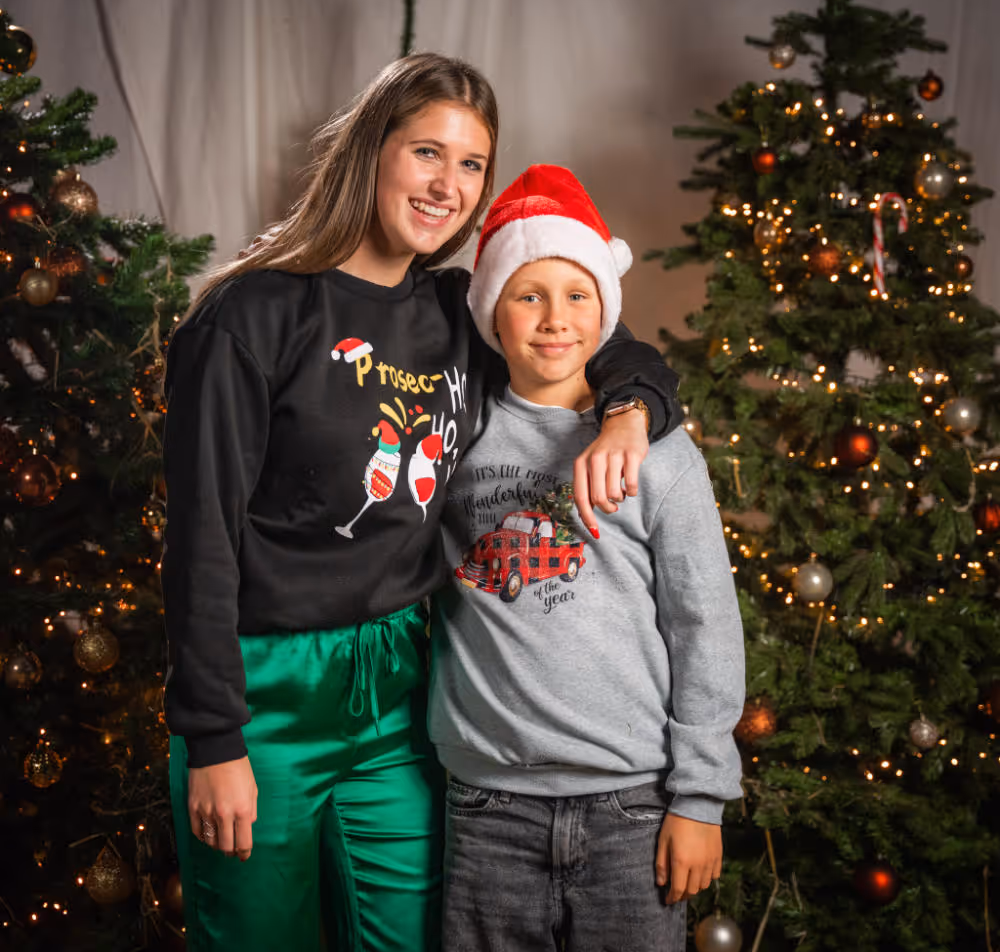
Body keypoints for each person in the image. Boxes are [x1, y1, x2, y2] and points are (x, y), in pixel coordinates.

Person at [161, 54, 682, 952]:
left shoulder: (456, 312)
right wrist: (213, 740)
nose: (449, 186)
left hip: (405, 688)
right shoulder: (252, 317)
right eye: (427, 153)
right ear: (372, 152)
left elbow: (608, 337)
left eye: (472, 165)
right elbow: (202, 540)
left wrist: (631, 415)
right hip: (264, 690)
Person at [429, 164, 746, 952]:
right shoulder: (450, 437)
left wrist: (700, 800)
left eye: (576, 294)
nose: (553, 319)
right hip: (487, 807)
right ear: (491, 312)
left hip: (632, 808)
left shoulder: (658, 451)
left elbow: (705, 624)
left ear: (607, 309)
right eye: (527, 294)